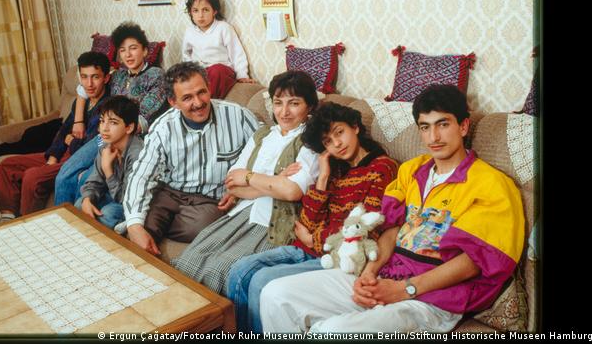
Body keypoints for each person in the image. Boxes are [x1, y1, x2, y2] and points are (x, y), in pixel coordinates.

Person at [259, 84, 525, 333]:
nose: (433, 137)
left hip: (435, 298)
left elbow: (472, 263)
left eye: (443, 125)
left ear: (464, 126)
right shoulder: (412, 171)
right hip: (388, 274)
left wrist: (405, 289)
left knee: (333, 331)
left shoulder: (492, 185)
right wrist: (368, 274)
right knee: (275, 294)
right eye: (425, 127)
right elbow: (392, 228)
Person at [225, 102, 399, 333]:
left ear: (355, 127)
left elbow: (365, 228)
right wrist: (323, 178)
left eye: (340, 133)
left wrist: (313, 239)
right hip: (307, 248)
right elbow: (306, 222)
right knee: (239, 270)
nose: (337, 144)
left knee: (260, 280)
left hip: (336, 257)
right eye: (328, 141)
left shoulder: (383, 168)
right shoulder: (334, 169)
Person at [170, 70, 321, 295]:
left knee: (218, 271)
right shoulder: (262, 135)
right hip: (240, 214)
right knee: (188, 261)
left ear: (309, 106)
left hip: (274, 222)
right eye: (278, 103)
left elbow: (291, 192)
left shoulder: (312, 141)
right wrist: (274, 183)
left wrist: (250, 178)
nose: (284, 112)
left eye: (294, 103)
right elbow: (232, 182)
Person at [120, 61, 260, 256]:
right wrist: (135, 226)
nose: (198, 102)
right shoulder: (163, 127)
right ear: (173, 102)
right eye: (187, 98)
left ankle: (148, 222)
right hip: (168, 192)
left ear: (209, 88)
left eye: (201, 92)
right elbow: (141, 175)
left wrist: (239, 190)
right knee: (139, 229)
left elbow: (264, 152)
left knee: (202, 226)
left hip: (208, 201)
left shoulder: (238, 116)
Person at [54, 22, 168, 206]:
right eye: (123, 50)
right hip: (104, 136)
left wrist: (110, 141)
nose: (128, 55)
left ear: (145, 51)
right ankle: (62, 224)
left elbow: (141, 119)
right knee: (65, 173)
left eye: (133, 48)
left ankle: (81, 223)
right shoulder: (118, 76)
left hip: (130, 140)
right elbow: (85, 87)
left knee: (85, 179)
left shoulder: (156, 76)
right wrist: (78, 120)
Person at [0, 51, 111, 218]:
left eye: (95, 77)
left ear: (106, 78)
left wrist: (70, 141)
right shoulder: (82, 101)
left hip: (75, 161)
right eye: (84, 77)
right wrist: (53, 156)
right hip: (62, 154)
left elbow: (87, 148)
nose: (89, 84)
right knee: (7, 165)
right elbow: (64, 129)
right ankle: (7, 218)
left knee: (32, 176)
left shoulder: (106, 107)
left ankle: (28, 221)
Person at [75, 96, 143, 230]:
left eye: (113, 122)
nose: (104, 128)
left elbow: (127, 199)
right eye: (102, 121)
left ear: (129, 128)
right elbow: (94, 181)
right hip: (113, 195)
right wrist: (88, 198)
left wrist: (108, 170)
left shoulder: (138, 154)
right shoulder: (106, 144)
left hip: (132, 204)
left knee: (108, 213)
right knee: (80, 203)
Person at [182, 0, 254, 100]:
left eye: (205, 10)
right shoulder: (189, 31)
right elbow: (186, 55)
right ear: (191, 13)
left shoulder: (223, 28)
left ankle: (207, 101)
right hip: (201, 72)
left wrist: (242, 75)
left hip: (222, 71)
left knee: (217, 70)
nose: (200, 15)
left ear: (214, 11)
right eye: (195, 10)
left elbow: (236, 53)